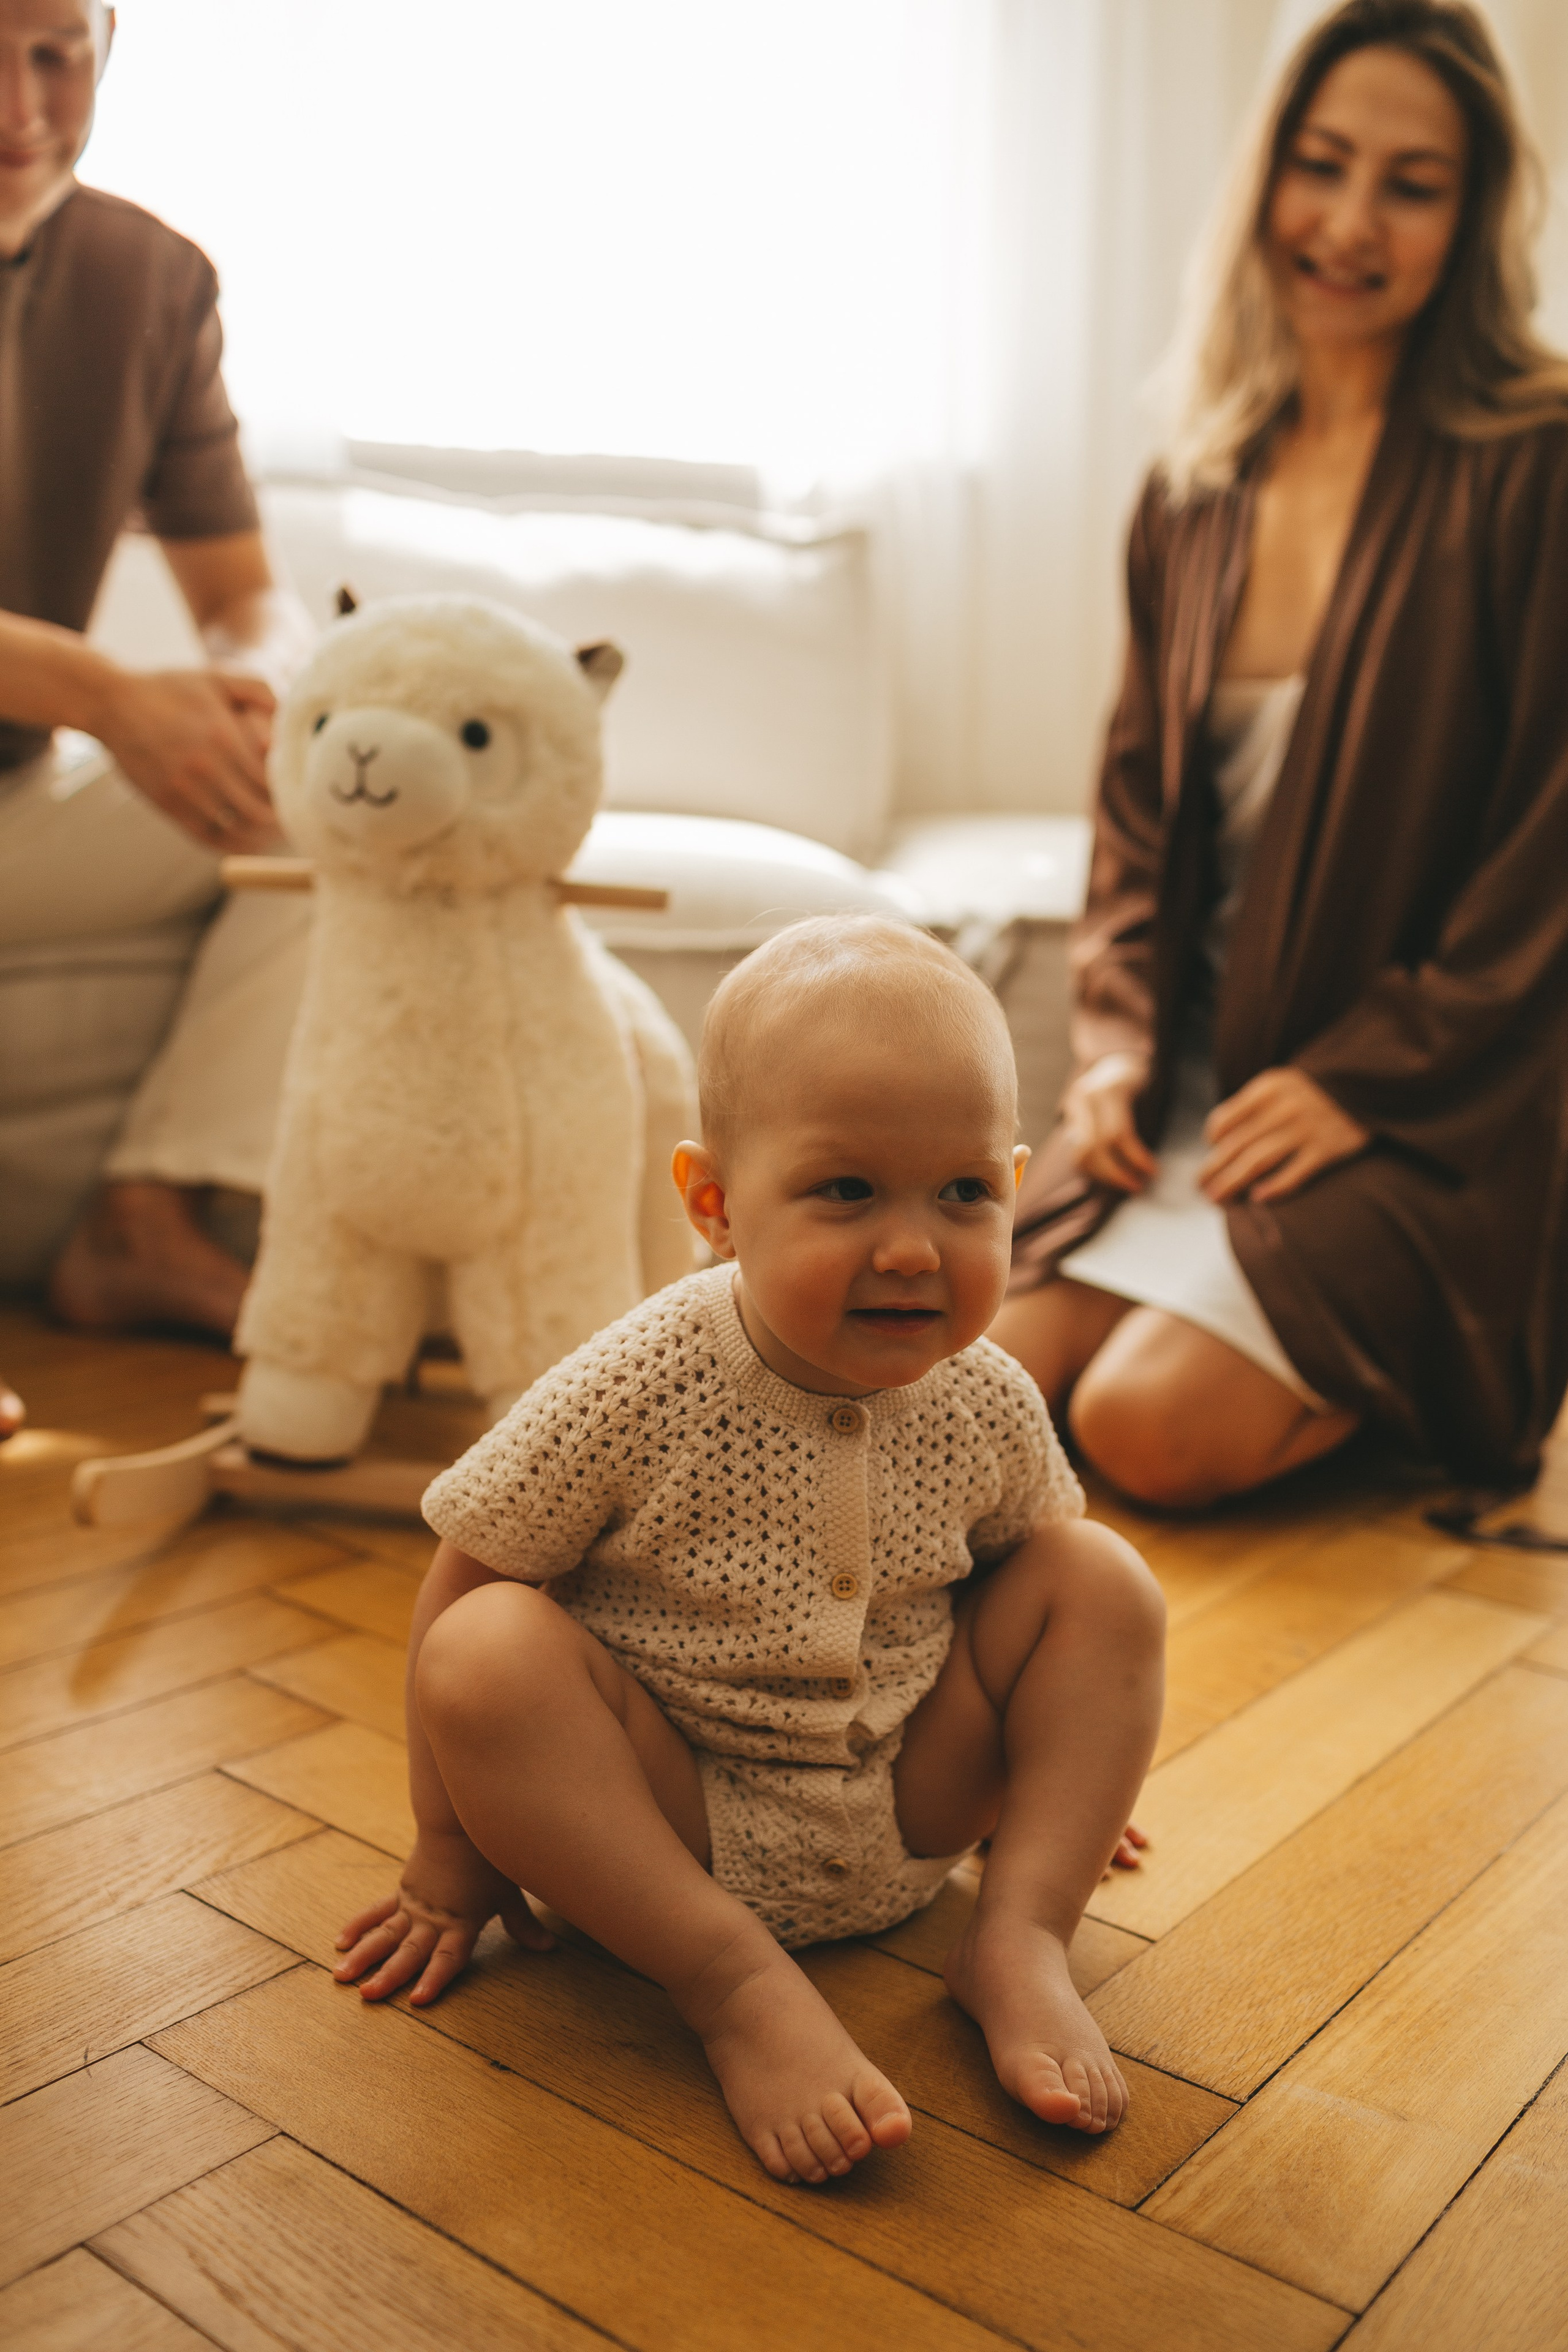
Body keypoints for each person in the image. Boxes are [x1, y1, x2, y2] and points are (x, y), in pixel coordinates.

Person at [333, 917, 1165, 2185]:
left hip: (915, 1801)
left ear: (1014, 1183)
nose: (912, 1248)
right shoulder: (641, 1380)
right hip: (669, 1828)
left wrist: (1065, 1787)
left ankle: (1019, 1940)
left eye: (964, 1194)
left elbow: (1040, 1607)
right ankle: (732, 1988)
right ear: (715, 1205)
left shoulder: (986, 1394)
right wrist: (451, 1852)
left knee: (1098, 1575)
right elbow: (470, 1572)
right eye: (847, 1191)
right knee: (483, 1650)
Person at [997, 0, 1568, 1510]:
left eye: (1409, 184)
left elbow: (1550, 851)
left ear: (1475, 214)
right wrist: (1114, 1051)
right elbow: (1130, 821)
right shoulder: (1191, 487)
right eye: (1319, 164)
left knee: (1141, 1429)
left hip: (1414, 1113)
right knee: (971, 1383)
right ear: (1262, 175)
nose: (1347, 223)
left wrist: (1369, 1080)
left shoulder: (1536, 464)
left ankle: (1403, 1381)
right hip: (1183, 1091)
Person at [0, 0, 312, 1341]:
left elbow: (241, 592)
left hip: (20, 806)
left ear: (107, 46)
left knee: (335, 808)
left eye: (54, 54)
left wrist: (265, 690)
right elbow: (108, 696)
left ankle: (140, 1220)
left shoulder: (154, 280)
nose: (19, 111)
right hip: (65, 730)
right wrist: (109, 700)